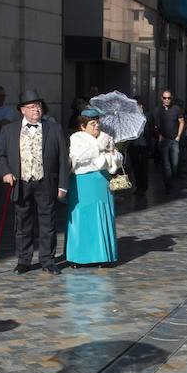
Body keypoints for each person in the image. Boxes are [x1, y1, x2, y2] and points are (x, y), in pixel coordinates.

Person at [0, 89, 70, 274]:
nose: (36, 110)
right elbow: (0, 157)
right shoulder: (9, 130)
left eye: (38, 106)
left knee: (48, 223)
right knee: (23, 223)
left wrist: (63, 184)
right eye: (31, 107)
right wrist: (5, 173)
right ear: (22, 110)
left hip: (46, 182)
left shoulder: (54, 128)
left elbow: (63, 157)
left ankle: (47, 260)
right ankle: (24, 260)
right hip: (21, 182)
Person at [65, 108, 120, 267]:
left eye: (97, 123)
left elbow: (118, 159)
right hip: (82, 181)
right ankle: (79, 257)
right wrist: (99, 148)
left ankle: (103, 256)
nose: (96, 126)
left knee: (103, 215)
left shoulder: (107, 137)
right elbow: (77, 156)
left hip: (102, 180)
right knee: (82, 217)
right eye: (92, 124)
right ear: (83, 126)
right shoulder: (76, 138)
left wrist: (112, 154)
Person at [151, 89, 185, 193]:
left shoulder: (176, 109)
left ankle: (171, 180)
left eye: (169, 98)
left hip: (174, 140)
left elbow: (182, 122)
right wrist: (159, 135)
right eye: (165, 98)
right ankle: (168, 186)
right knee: (166, 165)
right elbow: (154, 126)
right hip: (164, 140)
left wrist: (179, 136)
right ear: (162, 98)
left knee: (174, 164)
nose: (167, 100)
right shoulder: (157, 110)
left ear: (171, 99)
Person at [127, 94, 155, 198]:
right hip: (134, 145)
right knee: (135, 167)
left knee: (144, 167)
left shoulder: (147, 115)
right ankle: (138, 186)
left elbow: (151, 130)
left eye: (137, 105)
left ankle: (144, 187)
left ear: (142, 105)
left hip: (144, 145)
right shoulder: (131, 117)